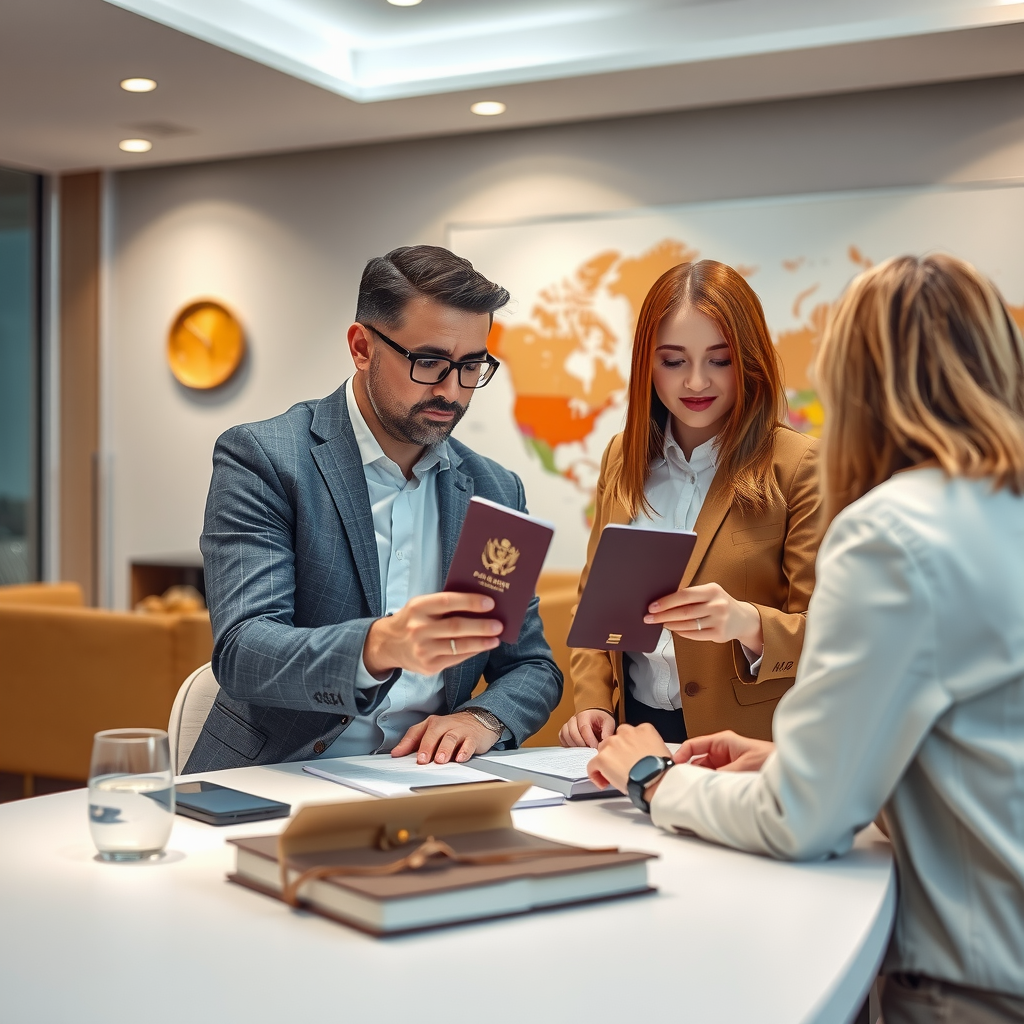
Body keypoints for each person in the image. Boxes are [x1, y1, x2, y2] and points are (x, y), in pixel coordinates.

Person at [589, 253, 1024, 1024]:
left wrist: (653, 778)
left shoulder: (890, 533)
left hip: (980, 972)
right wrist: (801, 761)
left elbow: (804, 820)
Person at [185, 245, 562, 772]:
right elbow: (245, 652)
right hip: (277, 776)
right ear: (362, 347)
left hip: (428, 782)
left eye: (472, 366)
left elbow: (531, 667)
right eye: (429, 362)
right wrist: (378, 645)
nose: (451, 391)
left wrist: (482, 719)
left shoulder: (495, 491)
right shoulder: (265, 459)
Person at [560, 260, 821, 748]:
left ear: (749, 360)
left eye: (719, 360)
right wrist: (593, 700)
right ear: (647, 364)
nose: (696, 382)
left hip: (749, 744)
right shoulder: (622, 455)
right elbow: (595, 599)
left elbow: (830, 635)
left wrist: (747, 623)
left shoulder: (801, 465)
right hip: (633, 732)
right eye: (674, 361)